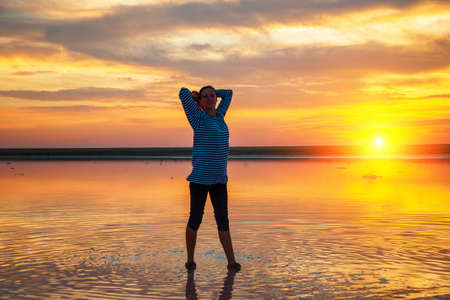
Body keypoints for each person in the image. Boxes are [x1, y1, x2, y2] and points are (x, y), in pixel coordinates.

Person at [179, 85, 241, 272]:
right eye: (205, 96)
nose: (209, 98)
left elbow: (229, 93)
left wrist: (213, 93)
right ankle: (190, 260)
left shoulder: (220, 116)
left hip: (220, 180)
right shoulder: (198, 118)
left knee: (223, 220)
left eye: (212, 96)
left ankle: (231, 262)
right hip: (199, 180)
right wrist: (196, 97)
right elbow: (183, 92)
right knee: (195, 219)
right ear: (200, 101)